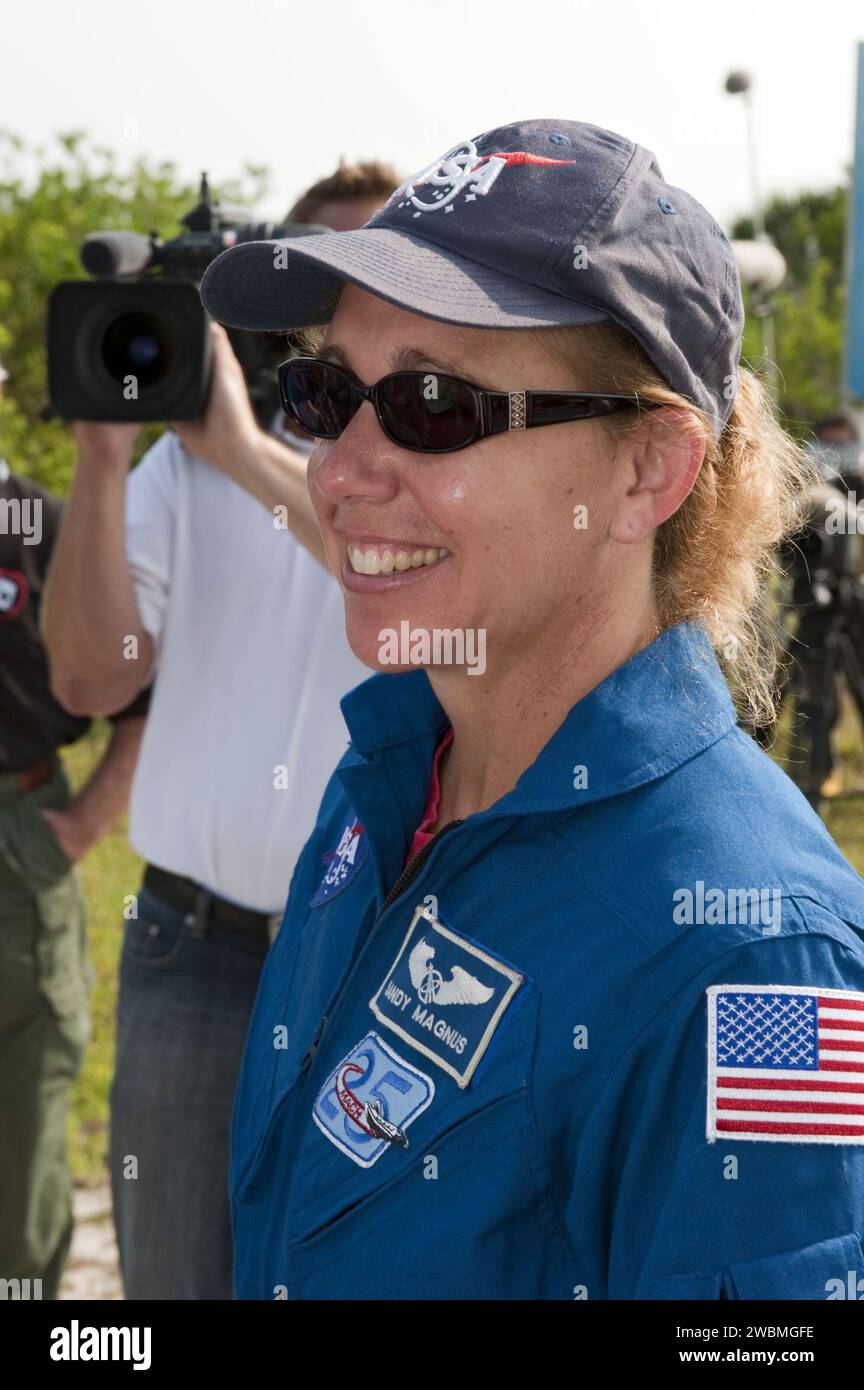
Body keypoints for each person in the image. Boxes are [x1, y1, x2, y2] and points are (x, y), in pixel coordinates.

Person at [200, 119, 864, 1300]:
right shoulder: (388, 783)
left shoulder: (758, 962)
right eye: (326, 391)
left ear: (647, 470)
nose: (340, 471)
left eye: (434, 401)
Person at [42, 161, 398, 1300]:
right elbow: (92, 677)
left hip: (373, 957)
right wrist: (105, 454)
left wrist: (246, 453)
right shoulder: (180, 465)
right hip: (190, 952)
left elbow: (388, 592)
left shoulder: (437, 476)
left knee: (352, 1271)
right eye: (319, 282)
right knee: (175, 1289)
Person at [0, 366, 145, 1298]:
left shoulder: (45, 526)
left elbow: (140, 693)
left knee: (22, 1150)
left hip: (17, 846)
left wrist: (81, 826)